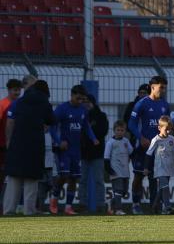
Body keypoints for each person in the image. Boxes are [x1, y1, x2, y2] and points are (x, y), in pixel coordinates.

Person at [2, 80, 54, 216]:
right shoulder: (44, 102)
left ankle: (8, 210)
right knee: (31, 180)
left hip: (17, 144)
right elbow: (51, 120)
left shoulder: (18, 102)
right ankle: (29, 210)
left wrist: (9, 140)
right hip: (35, 145)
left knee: (14, 178)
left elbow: (10, 121)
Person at [50, 85, 99, 215]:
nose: (80, 101)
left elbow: (86, 126)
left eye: (82, 99)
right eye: (78, 98)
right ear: (72, 95)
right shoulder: (62, 109)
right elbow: (52, 127)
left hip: (76, 149)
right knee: (64, 175)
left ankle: (68, 207)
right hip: (63, 150)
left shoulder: (83, 110)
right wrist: (59, 142)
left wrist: (93, 138)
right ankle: (54, 198)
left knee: (74, 178)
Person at [128, 76, 170, 214]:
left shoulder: (164, 105)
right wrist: (141, 138)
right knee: (139, 176)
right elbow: (131, 124)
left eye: (164, 87)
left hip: (159, 149)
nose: (163, 90)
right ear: (152, 87)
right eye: (161, 87)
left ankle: (155, 207)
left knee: (155, 178)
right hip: (143, 148)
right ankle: (135, 203)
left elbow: (167, 125)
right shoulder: (142, 103)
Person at [80, 94, 109, 212]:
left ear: (93, 102)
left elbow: (103, 131)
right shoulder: (81, 115)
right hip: (84, 152)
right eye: (84, 101)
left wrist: (90, 133)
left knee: (98, 180)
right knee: (83, 180)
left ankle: (100, 205)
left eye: (88, 101)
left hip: (97, 153)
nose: (86, 103)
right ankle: (82, 204)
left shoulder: (101, 116)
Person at [145, 115, 174, 215]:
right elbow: (148, 154)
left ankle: (154, 207)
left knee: (162, 188)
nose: (168, 132)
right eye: (166, 129)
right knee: (165, 187)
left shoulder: (172, 139)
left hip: (169, 168)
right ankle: (167, 207)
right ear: (159, 128)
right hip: (160, 168)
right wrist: (146, 167)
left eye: (170, 129)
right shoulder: (156, 140)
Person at [104, 121, 133, 216]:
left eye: (122, 130)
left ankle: (111, 203)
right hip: (115, 171)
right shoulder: (110, 143)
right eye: (118, 130)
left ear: (124, 131)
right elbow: (106, 158)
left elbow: (131, 152)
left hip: (125, 171)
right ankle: (118, 210)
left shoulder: (126, 141)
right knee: (118, 190)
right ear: (114, 131)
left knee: (124, 192)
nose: (120, 132)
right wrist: (109, 170)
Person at [0, 79, 22, 201]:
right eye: (15, 90)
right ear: (9, 90)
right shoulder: (2, 104)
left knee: (14, 175)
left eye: (19, 90)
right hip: (3, 145)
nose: (17, 92)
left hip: (16, 145)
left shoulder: (20, 104)